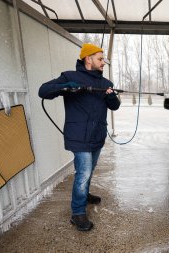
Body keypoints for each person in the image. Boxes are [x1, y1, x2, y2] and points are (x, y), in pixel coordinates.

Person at [38, 43, 120, 231]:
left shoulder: (105, 83)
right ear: (88, 59)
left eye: (104, 60)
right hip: (78, 136)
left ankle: (84, 194)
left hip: (97, 135)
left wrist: (111, 96)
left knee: (88, 171)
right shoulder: (70, 76)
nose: (103, 63)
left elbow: (114, 106)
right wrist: (66, 87)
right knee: (83, 174)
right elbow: (43, 91)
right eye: (100, 59)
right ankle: (77, 213)